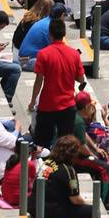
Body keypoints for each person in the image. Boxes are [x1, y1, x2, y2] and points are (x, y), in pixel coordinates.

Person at [28, 16, 86, 148]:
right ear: (64, 34)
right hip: (68, 106)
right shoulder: (74, 54)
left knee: (42, 143)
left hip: (47, 105)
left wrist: (32, 102)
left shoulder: (43, 54)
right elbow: (81, 79)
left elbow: (39, 81)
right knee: (65, 144)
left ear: (50, 34)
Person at [41, 135, 94, 218]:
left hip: (37, 208)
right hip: (51, 213)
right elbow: (75, 199)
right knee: (92, 211)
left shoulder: (47, 163)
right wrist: (86, 203)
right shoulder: (68, 170)